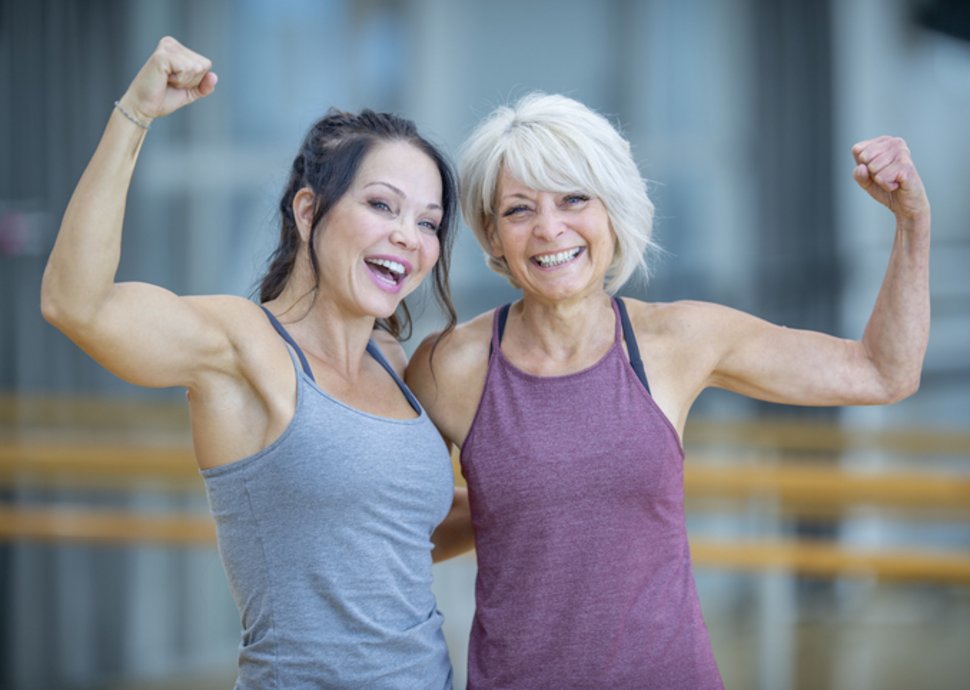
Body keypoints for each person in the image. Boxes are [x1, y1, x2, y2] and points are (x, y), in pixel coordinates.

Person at [406, 92, 930, 689]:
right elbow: (385, 524)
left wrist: (912, 223)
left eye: (575, 198)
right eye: (519, 210)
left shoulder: (678, 339)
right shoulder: (451, 366)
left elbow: (884, 373)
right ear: (492, 235)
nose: (550, 229)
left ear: (612, 210)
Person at [41, 36, 470, 689]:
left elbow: (391, 539)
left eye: (429, 221)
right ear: (308, 210)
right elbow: (77, 304)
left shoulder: (390, 357)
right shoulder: (241, 345)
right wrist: (134, 113)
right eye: (382, 205)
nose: (408, 237)